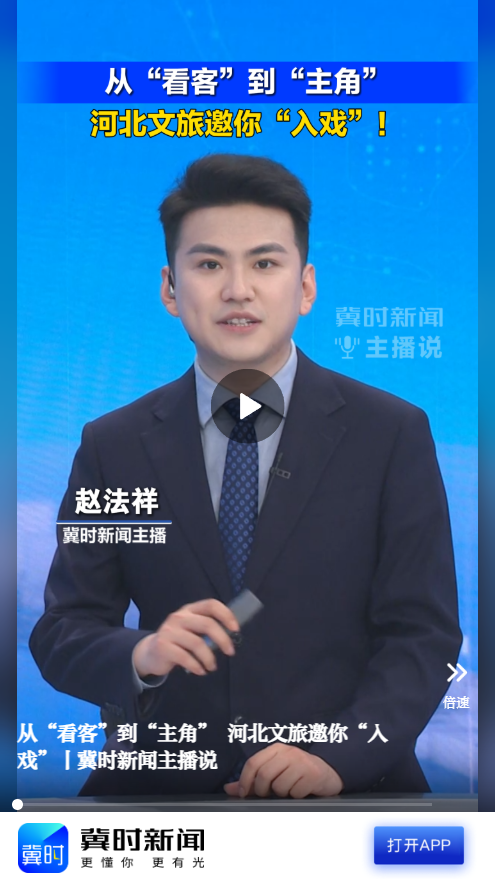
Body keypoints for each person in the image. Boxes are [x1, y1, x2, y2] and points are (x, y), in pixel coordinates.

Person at [30, 153, 461, 798]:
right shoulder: (113, 444)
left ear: (306, 287)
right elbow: (63, 630)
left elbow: (423, 633)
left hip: (350, 793)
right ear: (170, 289)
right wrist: (142, 655)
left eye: (264, 263)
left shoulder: (390, 433)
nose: (238, 289)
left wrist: (337, 756)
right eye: (209, 265)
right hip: (161, 795)